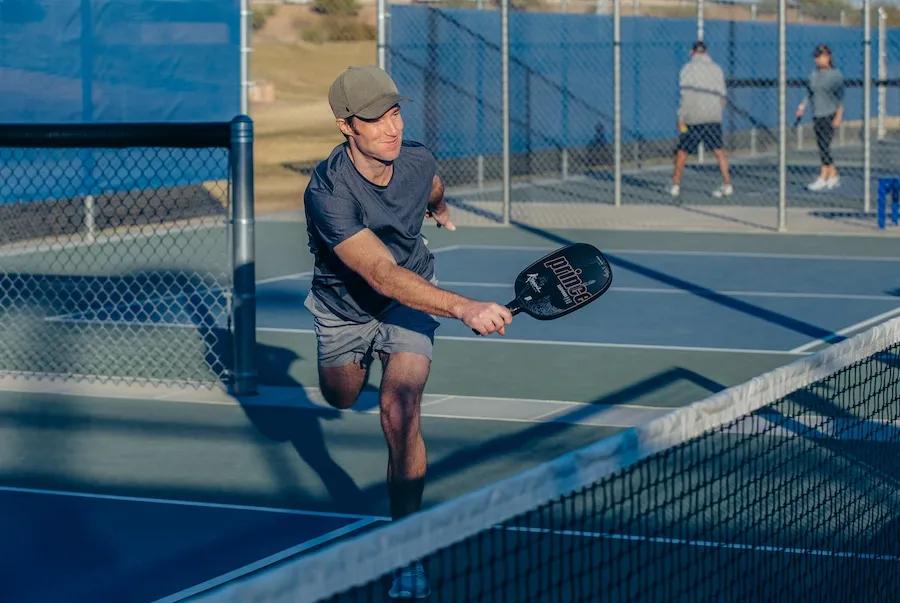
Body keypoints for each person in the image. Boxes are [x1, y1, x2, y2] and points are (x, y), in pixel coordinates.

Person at [303, 65, 513, 599]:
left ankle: (407, 551)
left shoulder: (415, 158)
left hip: (411, 297)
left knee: (400, 410)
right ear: (346, 126)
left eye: (395, 113)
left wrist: (440, 208)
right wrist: (464, 307)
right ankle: (358, 365)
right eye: (376, 119)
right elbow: (379, 273)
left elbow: (433, 184)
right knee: (340, 395)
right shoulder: (328, 191)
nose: (391, 127)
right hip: (346, 306)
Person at [669, 40, 733, 199]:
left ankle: (675, 185)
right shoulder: (717, 69)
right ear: (706, 52)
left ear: (692, 52)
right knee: (719, 151)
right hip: (712, 116)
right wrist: (717, 110)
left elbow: (685, 95)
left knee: (682, 152)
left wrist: (681, 117)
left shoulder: (686, 69)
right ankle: (727, 183)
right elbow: (723, 95)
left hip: (693, 117)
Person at [795, 43, 844, 192]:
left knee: (824, 146)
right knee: (822, 146)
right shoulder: (813, 75)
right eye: (816, 57)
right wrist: (802, 106)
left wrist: (838, 116)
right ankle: (834, 175)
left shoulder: (836, 75)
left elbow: (840, 98)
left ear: (828, 57)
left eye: (821, 56)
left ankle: (823, 176)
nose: (818, 60)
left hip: (830, 113)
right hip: (817, 114)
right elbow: (809, 93)